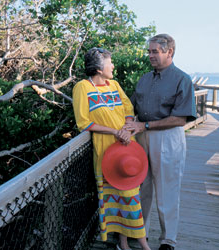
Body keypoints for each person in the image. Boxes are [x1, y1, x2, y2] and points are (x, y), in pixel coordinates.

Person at [72, 47, 151, 250]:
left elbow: (127, 107)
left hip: (127, 149)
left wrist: (125, 128)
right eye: (110, 62)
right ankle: (141, 245)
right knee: (121, 199)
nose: (113, 66)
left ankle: (125, 244)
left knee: (130, 196)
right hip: (107, 151)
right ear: (99, 69)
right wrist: (114, 132)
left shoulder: (114, 85)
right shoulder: (82, 87)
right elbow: (84, 122)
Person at [124, 34, 197, 250]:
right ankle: (140, 233)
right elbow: (132, 108)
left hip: (168, 137)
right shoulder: (144, 78)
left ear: (169, 52)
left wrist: (144, 126)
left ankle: (168, 240)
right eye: (149, 51)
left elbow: (180, 119)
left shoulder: (182, 80)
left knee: (167, 190)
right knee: (141, 188)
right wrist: (129, 125)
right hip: (141, 137)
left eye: (155, 51)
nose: (150, 55)